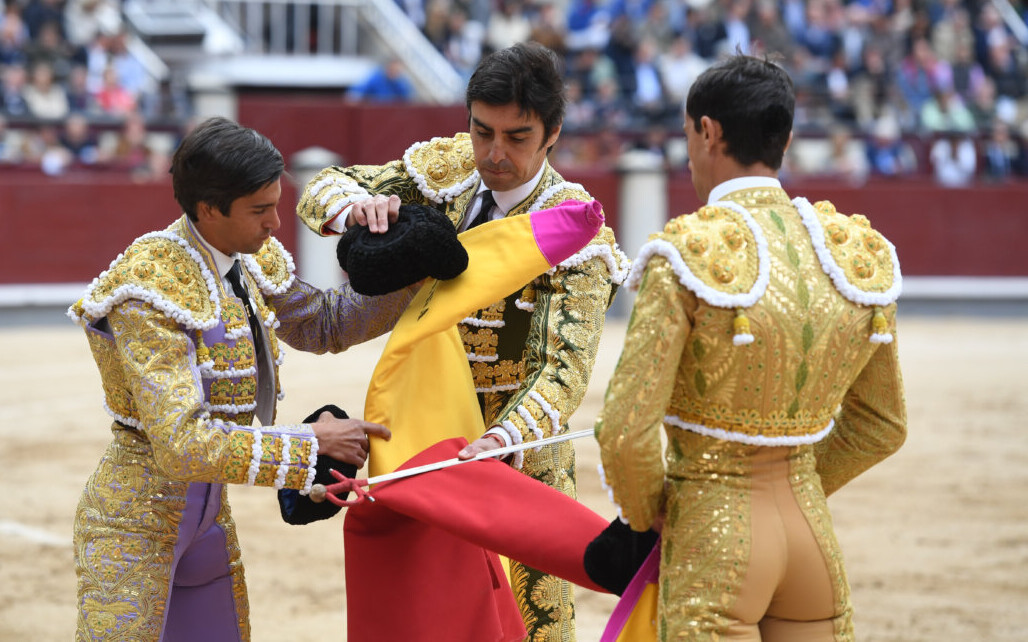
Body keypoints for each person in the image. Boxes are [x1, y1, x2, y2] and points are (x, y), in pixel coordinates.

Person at [296, 41, 629, 641]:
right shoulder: (446, 169)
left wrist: (504, 439)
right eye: (483, 131)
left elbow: (564, 370)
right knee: (425, 615)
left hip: (513, 458)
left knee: (531, 625)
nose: (494, 154)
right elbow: (322, 186)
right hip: (425, 446)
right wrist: (359, 210)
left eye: (517, 137)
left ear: (552, 134)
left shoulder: (573, 228)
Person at [594, 55, 907, 640]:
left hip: (715, 533)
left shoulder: (685, 251)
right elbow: (882, 426)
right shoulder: (855, 252)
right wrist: (799, 485)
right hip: (812, 538)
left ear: (706, 131)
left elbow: (624, 431)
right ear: (784, 137)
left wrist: (656, 515)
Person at [69, 116, 416, 641]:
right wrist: (308, 443)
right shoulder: (149, 288)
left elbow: (323, 323)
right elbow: (181, 444)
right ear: (208, 209)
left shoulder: (249, 256)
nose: (276, 222)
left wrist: (414, 275)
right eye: (260, 210)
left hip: (207, 521)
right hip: (133, 524)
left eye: (275, 203)